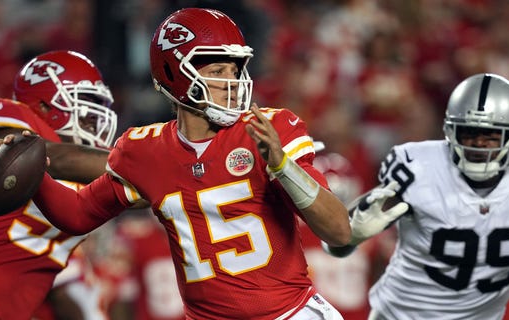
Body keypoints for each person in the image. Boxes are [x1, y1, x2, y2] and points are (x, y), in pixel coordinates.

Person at [27, 7, 352, 320]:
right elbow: (78, 213)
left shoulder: (270, 128)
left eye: (235, 69)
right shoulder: (145, 151)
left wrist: (282, 166)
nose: (232, 82)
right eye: (217, 72)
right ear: (174, 74)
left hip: (289, 314)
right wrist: (27, 172)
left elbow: (338, 231)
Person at [325, 73, 509, 319]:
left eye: (491, 134)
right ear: (450, 131)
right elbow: (338, 239)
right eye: (469, 132)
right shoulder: (420, 167)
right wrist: (349, 236)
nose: (478, 144)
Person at [0, 50, 117, 319]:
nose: (94, 118)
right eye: (86, 102)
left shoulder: (89, 176)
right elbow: (20, 153)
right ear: (44, 106)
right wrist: (140, 165)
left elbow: (144, 188)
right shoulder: (13, 122)